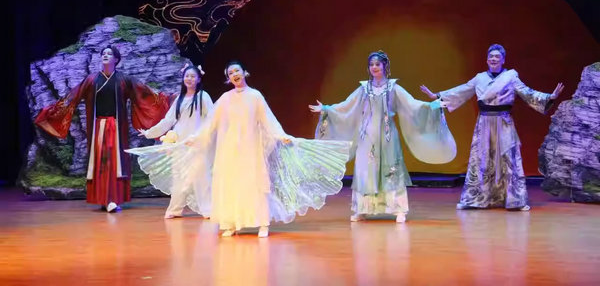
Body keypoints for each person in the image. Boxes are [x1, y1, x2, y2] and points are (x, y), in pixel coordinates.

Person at [129, 60, 352, 237]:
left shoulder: (255, 96)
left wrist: (280, 135)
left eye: (237, 71)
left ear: (245, 73)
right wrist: (195, 138)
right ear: (228, 79)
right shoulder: (225, 99)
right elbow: (210, 123)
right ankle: (231, 223)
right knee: (231, 184)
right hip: (229, 149)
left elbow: (268, 120)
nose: (234, 74)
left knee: (253, 183)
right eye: (230, 73)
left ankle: (262, 223)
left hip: (250, 147)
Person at [309, 50, 456, 223]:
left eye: (377, 64)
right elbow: (347, 106)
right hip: (367, 136)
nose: (374, 67)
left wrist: (433, 105)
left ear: (385, 66)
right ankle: (362, 209)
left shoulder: (394, 88)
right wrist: (326, 109)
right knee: (365, 170)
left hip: (387, 136)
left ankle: (398, 209)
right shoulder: (364, 89)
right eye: (371, 65)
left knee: (391, 169)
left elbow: (412, 105)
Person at [420, 43, 564, 211]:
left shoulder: (510, 77)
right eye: (491, 56)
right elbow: (462, 91)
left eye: (497, 56)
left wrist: (549, 97)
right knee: (481, 159)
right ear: (487, 59)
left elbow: (527, 92)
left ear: (503, 60)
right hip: (484, 123)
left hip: (504, 122)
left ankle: (515, 200)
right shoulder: (480, 78)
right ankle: (474, 199)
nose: (493, 59)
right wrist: (436, 97)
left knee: (509, 160)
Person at [35, 45, 169, 212]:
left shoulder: (124, 80)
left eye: (109, 54)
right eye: (103, 53)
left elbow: (145, 93)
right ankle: (104, 198)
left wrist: (167, 100)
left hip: (116, 127)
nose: (105, 55)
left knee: (114, 162)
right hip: (98, 127)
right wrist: (52, 112)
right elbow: (72, 97)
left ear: (116, 59)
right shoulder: (91, 80)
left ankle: (112, 198)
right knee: (101, 162)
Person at [137, 63, 214, 219]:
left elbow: (212, 119)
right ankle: (175, 209)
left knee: (201, 176)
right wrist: (149, 133)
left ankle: (207, 209)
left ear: (199, 79)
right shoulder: (180, 98)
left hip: (197, 143)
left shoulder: (203, 96)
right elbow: (168, 121)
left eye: (193, 76)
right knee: (179, 177)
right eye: (187, 76)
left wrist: (199, 136)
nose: (189, 79)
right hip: (180, 143)